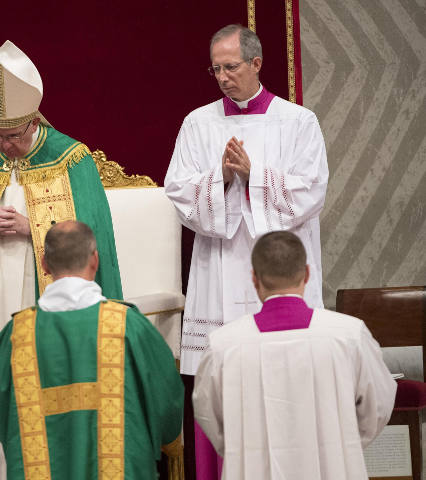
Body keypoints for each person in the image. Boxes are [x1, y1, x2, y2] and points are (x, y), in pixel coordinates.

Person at [163, 24, 329, 478]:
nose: (221, 76)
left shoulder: (298, 122)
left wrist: (254, 175)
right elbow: (176, 191)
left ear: (256, 64)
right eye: (215, 68)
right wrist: (219, 177)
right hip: (218, 268)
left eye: (231, 66)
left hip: (277, 271)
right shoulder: (198, 123)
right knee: (224, 383)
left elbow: (311, 191)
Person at [0, 40, 123, 357]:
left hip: (42, 280)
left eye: (13, 136)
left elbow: (91, 231)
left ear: (34, 122)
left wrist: (31, 226)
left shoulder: (70, 158)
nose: (4, 146)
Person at [0, 221, 183, 479]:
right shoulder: (130, 327)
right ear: (95, 260)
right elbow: (166, 402)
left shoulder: (15, 336)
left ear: (44, 264)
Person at [193, 231, 396, 479]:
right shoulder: (349, 335)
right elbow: (379, 405)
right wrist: (343, 443)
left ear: (254, 278)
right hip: (333, 468)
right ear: (307, 274)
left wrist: (243, 450)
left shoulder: (223, 346)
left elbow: (207, 414)